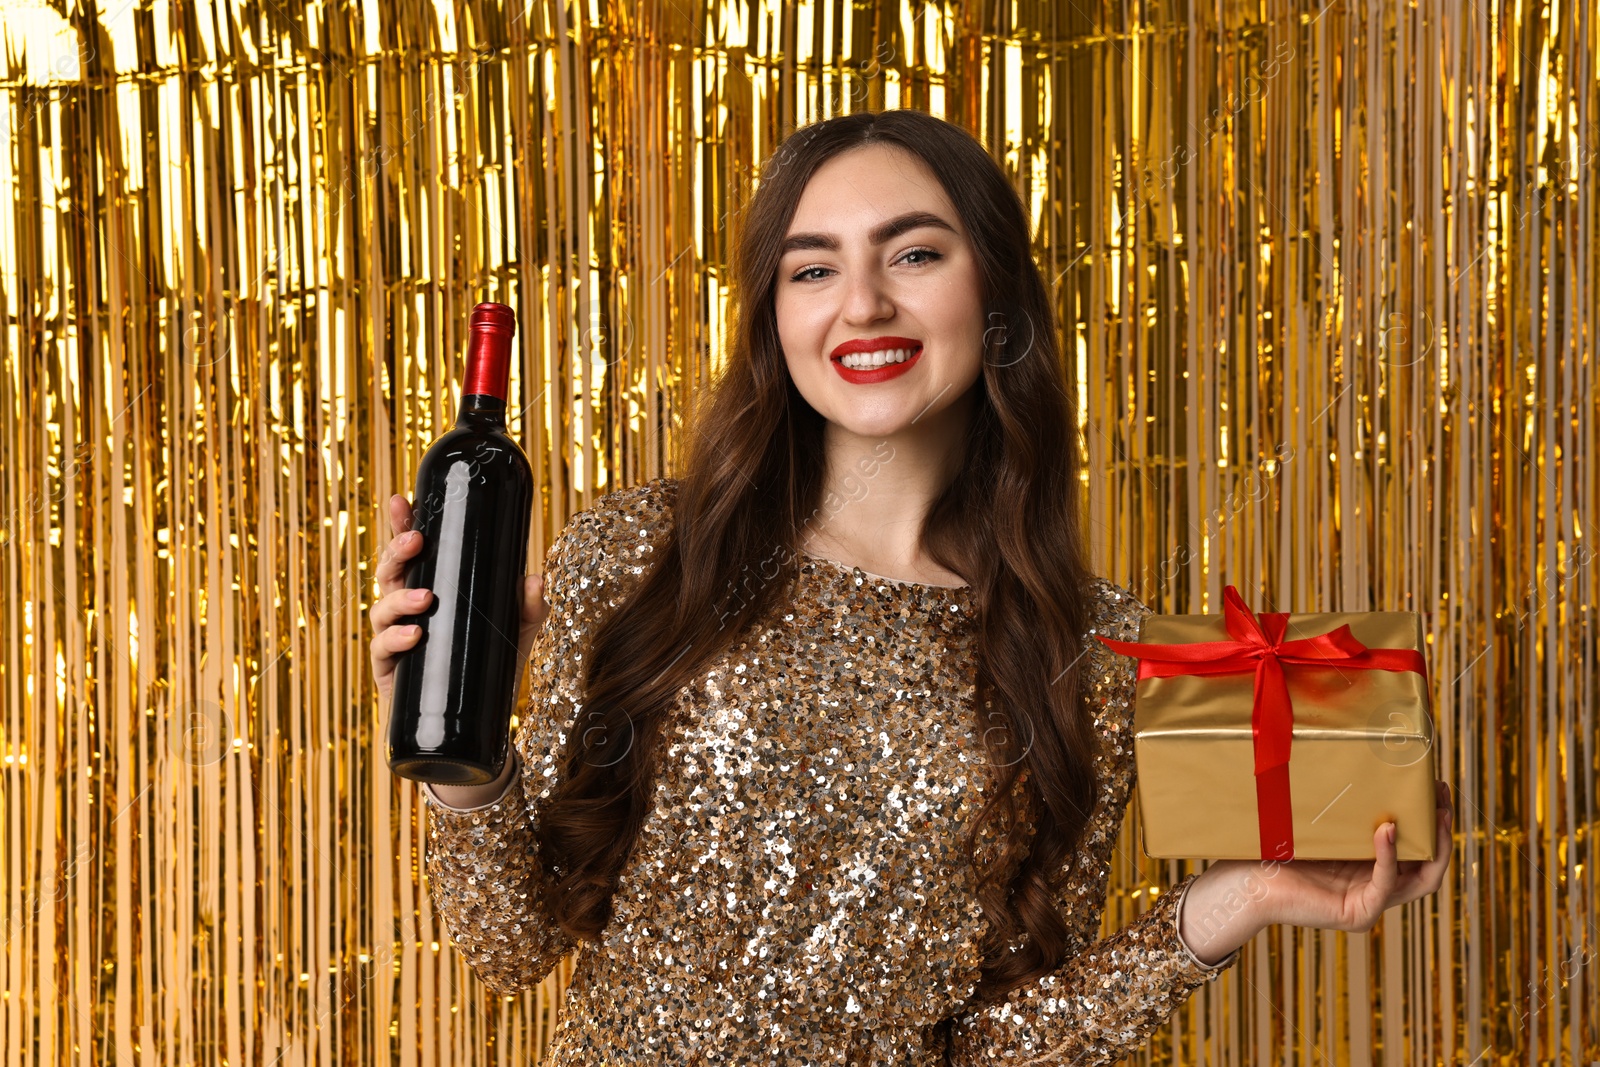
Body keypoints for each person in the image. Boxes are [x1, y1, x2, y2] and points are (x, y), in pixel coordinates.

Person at [367, 109, 1454, 1064]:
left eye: (915, 254)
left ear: (995, 294)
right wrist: (454, 744)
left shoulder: (1099, 648)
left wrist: (1240, 898)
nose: (863, 304)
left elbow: (1000, 1040)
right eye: (813, 267)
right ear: (774, 316)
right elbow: (511, 942)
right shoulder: (640, 549)